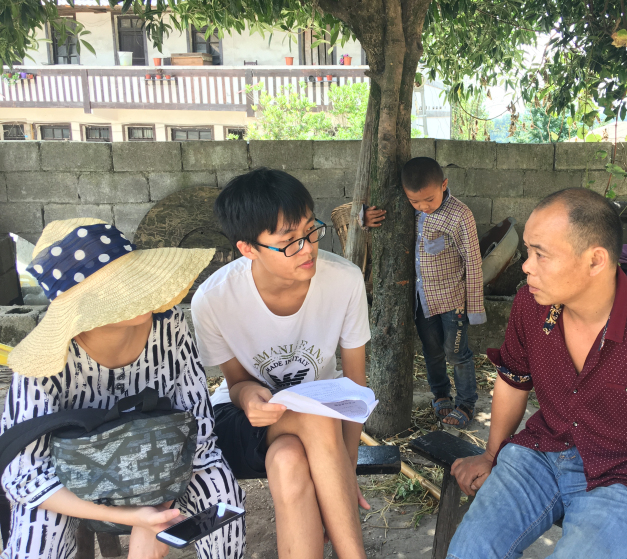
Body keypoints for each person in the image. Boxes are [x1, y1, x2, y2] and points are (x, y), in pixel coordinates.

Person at [448, 188, 627, 559]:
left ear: (596, 260)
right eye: (527, 252)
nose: (526, 267)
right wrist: (491, 454)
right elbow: (513, 379)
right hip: (542, 451)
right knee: (469, 551)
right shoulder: (531, 307)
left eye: (540, 254)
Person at [1, 219, 245, 559]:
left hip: (168, 464)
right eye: (119, 290)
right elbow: (25, 475)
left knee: (222, 499)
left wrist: (159, 503)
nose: (140, 293)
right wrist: (131, 518)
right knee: (38, 542)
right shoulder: (48, 359)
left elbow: (198, 429)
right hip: (73, 482)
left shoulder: (169, 324)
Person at [190, 168, 371, 559]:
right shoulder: (214, 300)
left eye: (310, 230)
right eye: (289, 242)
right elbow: (236, 385)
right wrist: (249, 397)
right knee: (316, 416)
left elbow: (355, 389)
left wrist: (345, 469)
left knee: (289, 458)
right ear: (248, 249)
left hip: (319, 429)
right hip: (242, 423)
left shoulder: (345, 280)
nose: (307, 249)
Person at [399, 156, 485, 427]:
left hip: (452, 300)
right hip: (422, 301)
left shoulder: (460, 215)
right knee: (432, 351)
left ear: (444, 185)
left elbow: (473, 262)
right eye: (415, 201)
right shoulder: (407, 210)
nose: (423, 207)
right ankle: (440, 395)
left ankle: (466, 403)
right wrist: (363, 217)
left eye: (429, 199)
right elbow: (375, 217)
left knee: (457, 353)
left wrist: (475, 308)